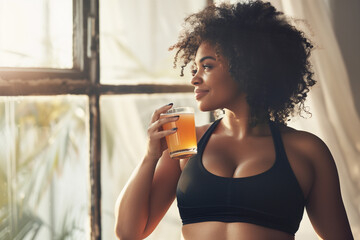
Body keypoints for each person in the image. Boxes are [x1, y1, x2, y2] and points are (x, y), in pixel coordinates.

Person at [114, 1, 354, 239]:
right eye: (194, 69)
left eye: (207, 66)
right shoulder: (186, 142)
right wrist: (150, 156)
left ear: (247, 66)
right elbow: (128, 232)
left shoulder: (307, 151)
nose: (195, 80)